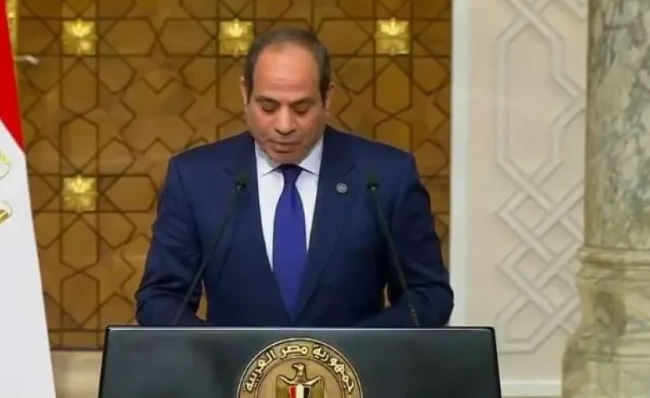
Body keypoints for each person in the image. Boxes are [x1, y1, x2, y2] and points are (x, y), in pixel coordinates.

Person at [135, 27, 453, 327]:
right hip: (229, 367)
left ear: (327, 98)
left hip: (356, 367)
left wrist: (354, 350)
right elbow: (161, 298)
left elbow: (428, 296)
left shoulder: (386, 176)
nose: (284, 125)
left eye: (301, 108)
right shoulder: (195, 178)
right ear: (245, 93)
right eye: (268, 107)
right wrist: (219, 353)